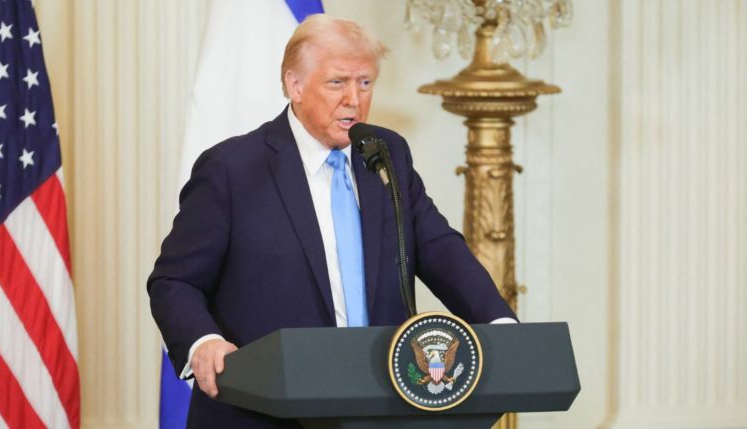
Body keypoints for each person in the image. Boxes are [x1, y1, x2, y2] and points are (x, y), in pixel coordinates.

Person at [147, 14, 517, 429]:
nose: (354, 100)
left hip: (378, 405)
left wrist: (499, 325)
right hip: (260, 413)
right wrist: (204, 342)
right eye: (337, 82)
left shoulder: (385, 153)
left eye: (365, 83)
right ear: (295, 86)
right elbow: (174, 282)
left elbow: (437, 246)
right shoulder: (233, 169)